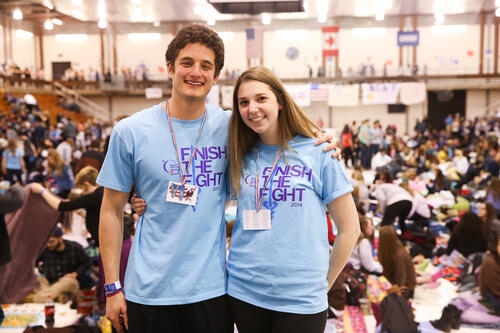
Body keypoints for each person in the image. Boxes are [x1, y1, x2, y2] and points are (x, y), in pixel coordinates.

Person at [98, 24, 338, 333]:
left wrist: (321, 138)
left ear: (216, 75)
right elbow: (110, 211)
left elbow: (279, 130)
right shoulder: (130, 131)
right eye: (187, 63)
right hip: (149, 291)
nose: (195, 72)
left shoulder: (232, 126)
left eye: (205, 66)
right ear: (169, 68)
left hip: (212, 290)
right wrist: (112, 287)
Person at [225, 66, 358, 333]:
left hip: (301, 298)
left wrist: (324, 284)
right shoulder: (240, 153)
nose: (252, 108)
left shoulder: (318, 150)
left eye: (261, 98)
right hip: (244, 291)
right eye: (244, 102)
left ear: (280, 102)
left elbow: (350, 229)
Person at [34, 227, 93, 303]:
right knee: (35, 279)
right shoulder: (45, 249)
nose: (49, 245)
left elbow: (88, 263)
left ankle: (39, 298)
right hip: (50, 283)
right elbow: (33, 263)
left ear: (60, 239)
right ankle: (57, 296)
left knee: (67, 281)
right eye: (47, 242)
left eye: (52, 242)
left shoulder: (74, 247)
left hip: (70, 282)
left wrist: (75, 273)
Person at [377, 226, 416, 299]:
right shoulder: (393, 248)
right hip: (395, 284)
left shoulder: (399, 255)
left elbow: (400, 282)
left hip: (406, 290)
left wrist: (388, 289)